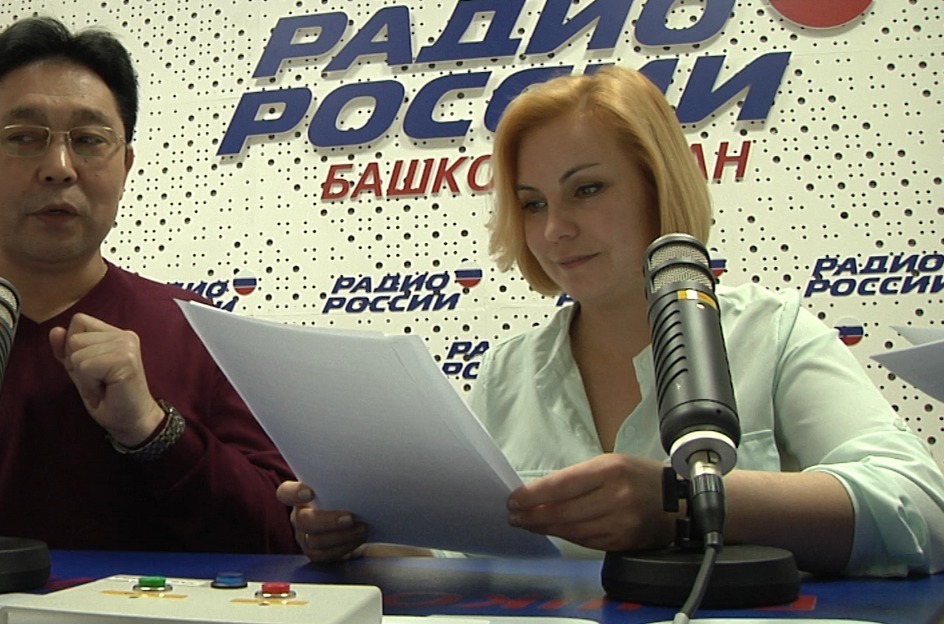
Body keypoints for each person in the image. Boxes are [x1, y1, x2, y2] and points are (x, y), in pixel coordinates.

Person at [279, 66, 944, 576]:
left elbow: (920, 508)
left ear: (659, 184)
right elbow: (471, 556)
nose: (555, 230)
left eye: (587, 189)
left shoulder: (770, 331)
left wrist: (681, 504)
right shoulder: (509, 369)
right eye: (532, 204)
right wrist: (364, 535)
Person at [0, 16, 298, 553]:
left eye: (89, 140)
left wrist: (151, 429)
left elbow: (278, 536)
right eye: (23, 138)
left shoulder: (196, 330)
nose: (59, 167)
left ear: (125, 167)